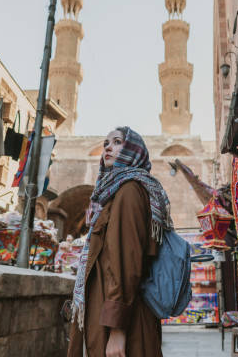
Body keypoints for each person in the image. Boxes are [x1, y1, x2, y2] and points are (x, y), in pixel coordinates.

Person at [68, 127, 171, 357]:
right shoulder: (113, 194)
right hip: (112, 316)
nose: (108, 147)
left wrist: (117, 330)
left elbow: (125, 264)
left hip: (124, 325)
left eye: (117, 142)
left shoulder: (129, 191)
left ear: (133, 151)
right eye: (106, 142)